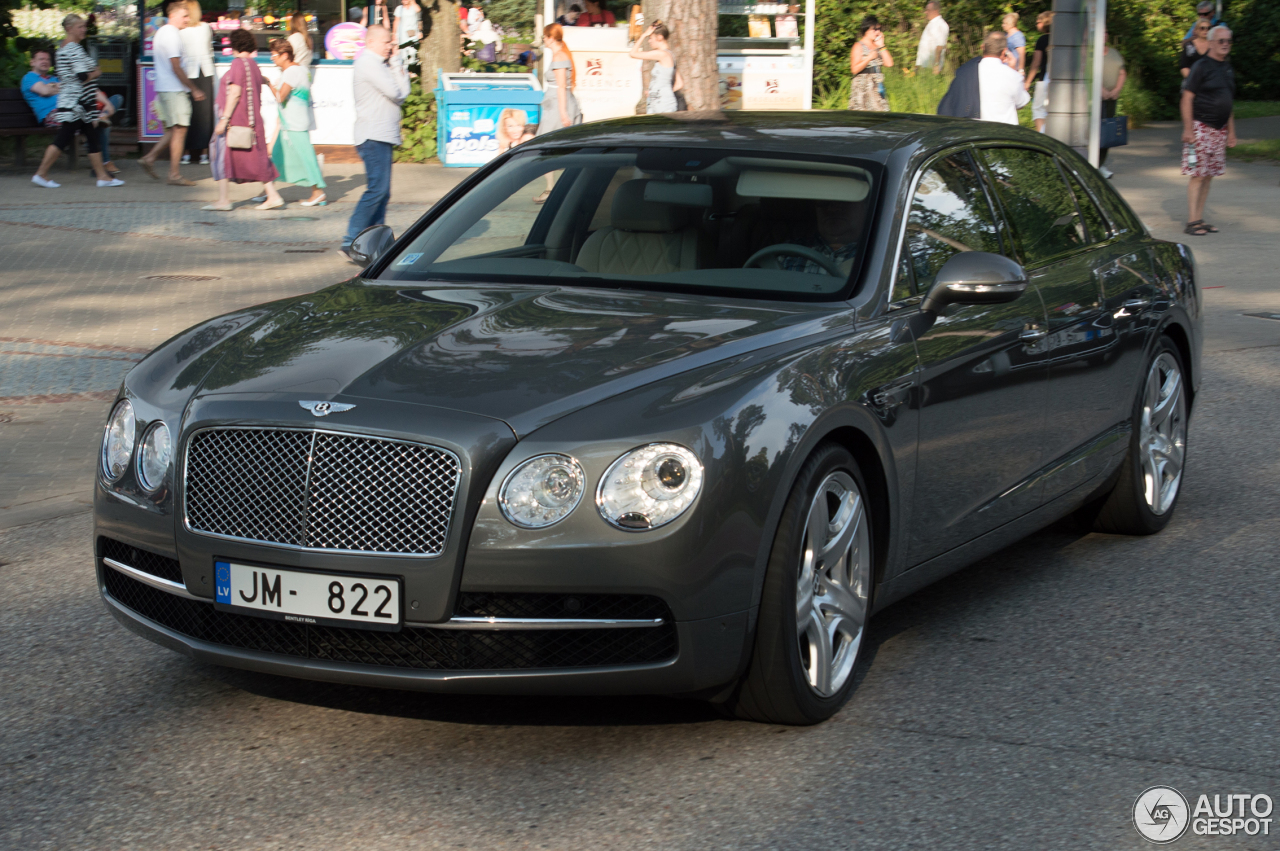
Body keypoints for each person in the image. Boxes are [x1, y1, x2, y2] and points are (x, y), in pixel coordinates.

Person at [30, 15, 123, 189]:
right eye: (80, 26)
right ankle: (41, 174)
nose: (84, 29)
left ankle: (102, 176)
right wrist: (96, 72)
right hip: (76, 103)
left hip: (79, 101)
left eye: (84, 26)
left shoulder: (63, 47)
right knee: (63, 138)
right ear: (69, 28)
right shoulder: (73, 48)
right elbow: (82, 76)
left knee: (91, 137)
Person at [342, 25, 409, 256]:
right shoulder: (367, 63)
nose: (390, 47)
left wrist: (397, 64)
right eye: (386, 43)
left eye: (391, 43)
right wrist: (395, 69)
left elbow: (404, 91)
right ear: (371, 42)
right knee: (376, 190)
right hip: (373, 135)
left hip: (383, 134)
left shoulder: (381, 64)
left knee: (382, 192)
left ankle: (373, 243)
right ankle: (351, 240)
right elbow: (396, 93)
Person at [204, 27, 284, 211]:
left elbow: (235, 93)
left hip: (237, 121)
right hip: (252, 121)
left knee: (220, 155)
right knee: (257, 157)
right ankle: (272, 195)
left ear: (234, 44)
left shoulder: (238, 64)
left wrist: (224, 119)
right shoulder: (253, 64)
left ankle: (224, 200)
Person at [139, 1, 203, 185]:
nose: (188, 19)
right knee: (180, 130)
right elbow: (176, 66)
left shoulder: (161, 32)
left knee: (173, 129)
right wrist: (194, 88)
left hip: (164, 87)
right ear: (173, 15)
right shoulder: (172, 34)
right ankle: (174, 174)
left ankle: (149, 158)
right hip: (174, 89)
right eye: (185, 16)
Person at [1181, 25, 1236, 236]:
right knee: (1198, 174)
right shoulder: (1201, 66)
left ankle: (1199, 218)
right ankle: (1191, 221)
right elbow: (1187, 97)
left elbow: (1228, 101)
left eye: (1228, 41)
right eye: (1221, 41)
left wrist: (1232, 132)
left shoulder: (1228, 68)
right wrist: (1188, 129)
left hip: (1220, 130)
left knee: (1209, 175)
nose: (1225, 45)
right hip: (1200, 127)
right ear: (1212, 42)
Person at [266, 39, 326, 206]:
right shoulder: (299, 69)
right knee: (276, 158)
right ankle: (269, 192)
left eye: (274, 55)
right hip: (292, 123)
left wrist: (268, 83)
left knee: (306, 158)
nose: (272, 58)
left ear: (285, 55)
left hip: (294, 123)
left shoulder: (291, 71)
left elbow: (280, 97)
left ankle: (318, 192)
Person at [533, 24, 581, 202]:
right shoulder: (560, 54)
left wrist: (563, 113)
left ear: (551, 38)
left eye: (545, 37)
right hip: (556, 105)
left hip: (558, 107)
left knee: (549, 147)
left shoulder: (560, 56)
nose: (544, 40)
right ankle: (552, 188)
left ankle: (553, 189)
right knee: (554, 147)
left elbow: (562, 86)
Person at [779, 200, 865, 276]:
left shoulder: (874, 256)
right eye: (824, 202)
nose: (833, 209)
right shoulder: (788, 252)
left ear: (865, 207)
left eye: (844, 200)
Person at [180, 0, 215, 166]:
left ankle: (186, 154)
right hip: (206, 71)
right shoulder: (206, 27)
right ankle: (204, 154)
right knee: (206, 115)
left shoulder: (181, 30)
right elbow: (209, 48)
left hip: (188, 72)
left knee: (188, 112)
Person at [630, 22, 683, 114]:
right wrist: (655, 92)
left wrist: (643, 35)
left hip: (663, 105)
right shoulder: (671, 55)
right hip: (659, 103)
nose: (649, 41)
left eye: (650, 38)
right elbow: (679, 83)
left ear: (660, 37)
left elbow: (633, 53)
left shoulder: (662, 54)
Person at [978, 31, 1028, 125]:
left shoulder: (970, 72)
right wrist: (1013, 69)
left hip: (978, 133)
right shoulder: (1012, 75)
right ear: (1005, 52)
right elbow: (1021, 103)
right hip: (1005, 134)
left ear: (983, 47)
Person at [848, 16, 892, 112]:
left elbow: (889, 63)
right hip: (863, 88)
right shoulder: (858, 46)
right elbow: (854, 69)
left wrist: (882, 45)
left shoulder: (878, 46)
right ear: (866, 29)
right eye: (874, 29)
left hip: (876, 88)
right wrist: (869, 58)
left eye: (879, 29)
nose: (878, 32)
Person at [1098, 32, 1125, 177]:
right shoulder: (1091, 54)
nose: (1104, 35)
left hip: (1111, 99)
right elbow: (1088, 73)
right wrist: (1100, 89)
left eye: (1106, 32)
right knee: (1096, 132)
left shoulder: (1114, 52)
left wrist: (1116, 90)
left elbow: (1122, 73)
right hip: (1096, 99)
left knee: (1107, 133)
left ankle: (1101, 164)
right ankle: (1092, 164)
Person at [1023, 11, 1052, 132]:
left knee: (1038, 109)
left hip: (1045, 79)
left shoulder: (1042, 40)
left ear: (1045, 23)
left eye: (1038, 22)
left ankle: (1042, 136)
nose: (1036, 24)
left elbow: (1036, 63)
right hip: (1061, 80)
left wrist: (1027, 82)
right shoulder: (1063, 38)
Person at [915, 1, 948, 74]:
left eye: (928, 10)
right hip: (923, 66)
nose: (925, 12)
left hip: (930, 68)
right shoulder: (931, 24)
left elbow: (940, 46)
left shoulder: (940, 25)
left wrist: (936, 65)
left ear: (935, 11)